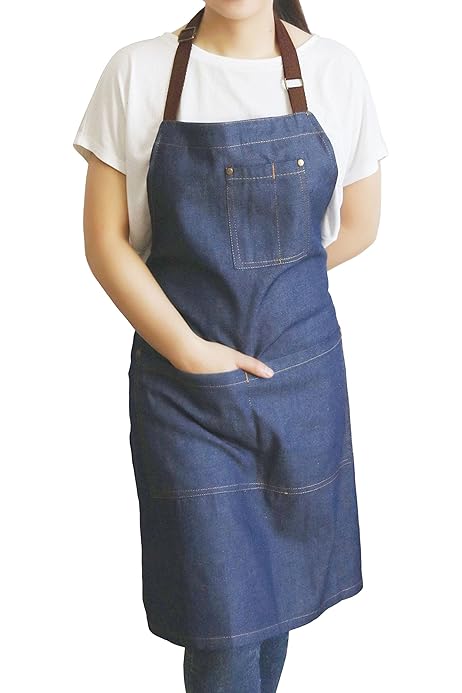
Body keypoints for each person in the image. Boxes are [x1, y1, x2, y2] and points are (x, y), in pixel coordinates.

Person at [73, 1, 388, 691]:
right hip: (184, 393)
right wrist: (189, 349)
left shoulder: (335, 70)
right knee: (222, 618)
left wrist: (279, 288)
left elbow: (362, 225)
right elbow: (104, 242)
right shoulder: (137, 71)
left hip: (299, 378)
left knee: (273, 602)